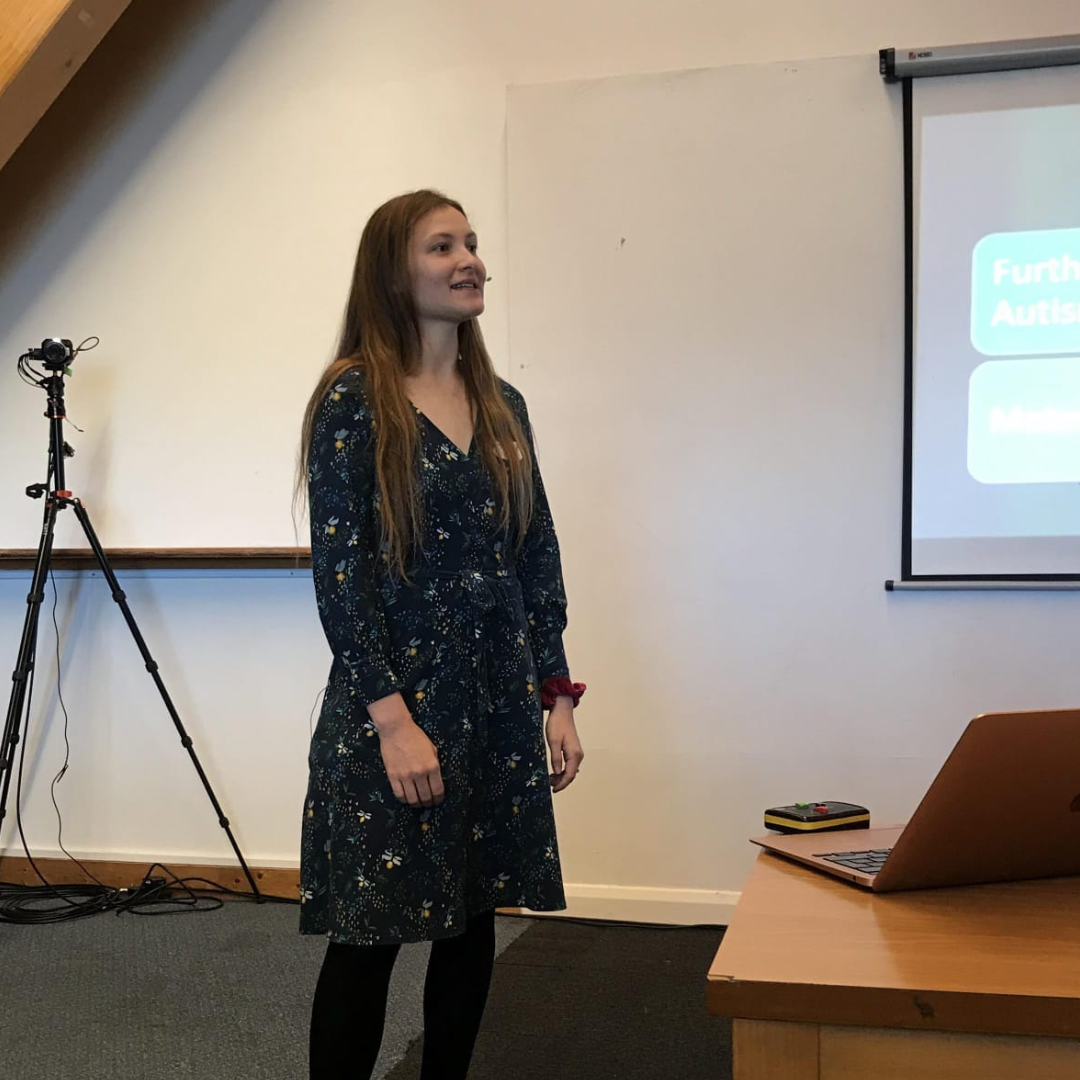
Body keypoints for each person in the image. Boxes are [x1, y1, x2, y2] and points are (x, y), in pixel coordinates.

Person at [297, 189, 585, 1079]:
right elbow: (342, 576)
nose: (469, 261)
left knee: (473, 918)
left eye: (471, 243)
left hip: (495, 700)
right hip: (397, 705)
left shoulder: (503, 405)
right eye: (441, 246)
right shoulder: (354, 400)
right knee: (371, 932)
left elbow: (535, 555)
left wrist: (557, 696)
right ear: (394, 271)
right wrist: (392, 721)